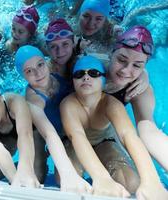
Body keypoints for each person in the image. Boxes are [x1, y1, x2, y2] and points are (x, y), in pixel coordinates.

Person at [60, 55, 168, 199]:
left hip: (104, 142)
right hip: (73, 144)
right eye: (79, 74)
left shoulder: (111, 104)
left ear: (103, 80)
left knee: (130, 183)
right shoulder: (68, 104)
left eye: (93, 73)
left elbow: (128, 136)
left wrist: (151, 181)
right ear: (73, 81)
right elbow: (77, 137)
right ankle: (100, 180)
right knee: (66, 180)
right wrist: (101, 178)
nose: (86, 77)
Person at [0, 76, 91, 192]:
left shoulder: (15, 101)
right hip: (7, 140)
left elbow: (27, 134)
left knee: (37, 175)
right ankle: (19, 168)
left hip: (32, 131)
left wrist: (66, 173)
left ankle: (38, 162)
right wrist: (15, 180)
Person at [15, 45, 85, 179]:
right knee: (37, 175)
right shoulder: (34, 99)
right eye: (29, 71)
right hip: (40, 133)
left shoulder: (61, 77)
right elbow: (48, 133)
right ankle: (24, 164)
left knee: (75, 173)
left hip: (64, 132)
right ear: (23, 76)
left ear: (46, 62)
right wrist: (68, 174)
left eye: (40, 65)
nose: (38, 73)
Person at [105, 25, 168, 171]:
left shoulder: (140, 88)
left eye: (137, 66)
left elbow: (149, 130)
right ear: (111, 53)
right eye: (121, 60)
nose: (126, 70)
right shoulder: (92, 68)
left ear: (144, 66)